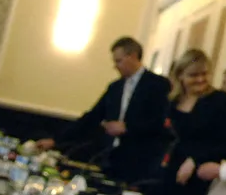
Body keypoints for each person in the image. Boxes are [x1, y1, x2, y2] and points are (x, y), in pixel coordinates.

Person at [37, 36, 170, 185]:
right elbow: (92, 117)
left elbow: (159, 122)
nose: (115, 66)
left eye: (119, 61)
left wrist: (127, 128)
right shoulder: (115, 87)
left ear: (133, 56)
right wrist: (56, 140)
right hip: (111, 158)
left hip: (141, 160)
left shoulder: (158, 84)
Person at [157, 49, 226, 195]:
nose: (200, 79)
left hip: (199, 174)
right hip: (169, 169)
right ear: (180, 76)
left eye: (204, 74)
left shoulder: (220, 101)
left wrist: (195, 159)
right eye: (193, 75)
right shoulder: (173, 101)